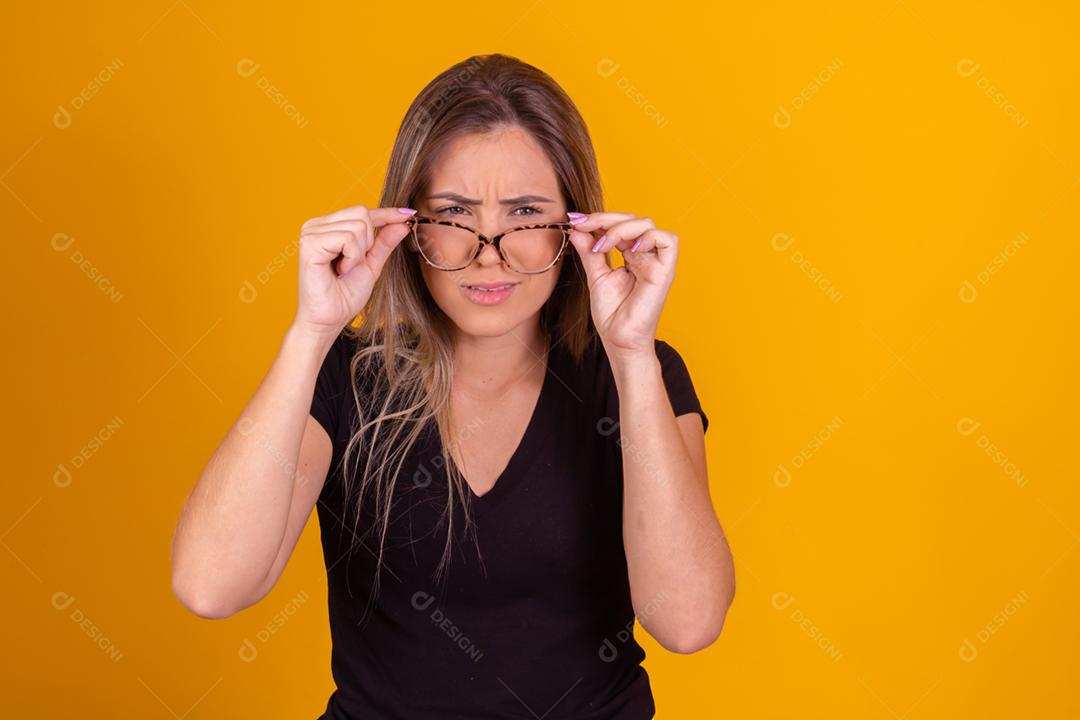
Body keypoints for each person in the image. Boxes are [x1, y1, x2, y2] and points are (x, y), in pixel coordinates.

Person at [171, 53, 735, 719]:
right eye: (454, 214)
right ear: (410, 227)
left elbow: (688, 623)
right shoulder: (345, 379)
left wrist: (632, 353)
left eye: (526, 213)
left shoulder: (639, 376)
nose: (488, 252)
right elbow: (210, 586)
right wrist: (312, 331)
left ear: (576, 225)